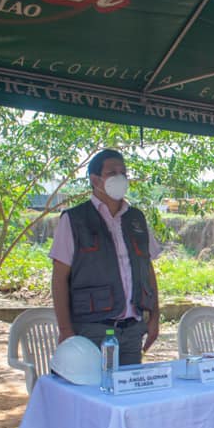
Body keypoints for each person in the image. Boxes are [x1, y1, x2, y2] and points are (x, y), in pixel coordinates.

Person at [50, 148, 161, 361]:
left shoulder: (136, 219)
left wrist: (155, 317)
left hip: (132, 330)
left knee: (129, 383)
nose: (120, 178)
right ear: (95, 180)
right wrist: (65, 330)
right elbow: (59, 278)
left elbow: (148, 271)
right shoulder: (74, 219)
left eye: (123, 173)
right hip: (92, 330)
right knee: (93, 383)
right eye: (112, 173)